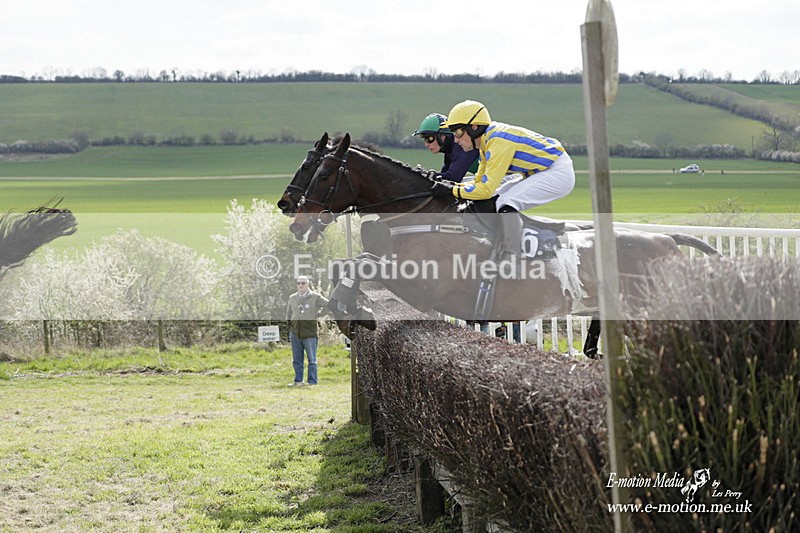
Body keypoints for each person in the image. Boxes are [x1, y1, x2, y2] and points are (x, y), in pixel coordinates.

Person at [430, 100, 576, 258]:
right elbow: (478, 183)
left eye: (458, 132)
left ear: (474, 127)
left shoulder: (497, 142)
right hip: (541, 170)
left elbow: (485, 190)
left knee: (506, 203)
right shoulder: (486, 142)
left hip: (557, 172)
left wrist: (451, 190)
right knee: (495, 199)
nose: (456, 140)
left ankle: (512, 256)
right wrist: (450, 186)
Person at [285, 275, 329, 387]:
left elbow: (328, 305)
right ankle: (298, 381)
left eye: (303, 283)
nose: (300, 285)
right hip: (295, 333)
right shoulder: (292, 297)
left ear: (308, 284)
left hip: (310, 333)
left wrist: (319, 314)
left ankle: (312, 382)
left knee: (312, 359)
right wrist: (290, 326)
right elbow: (288, 314)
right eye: (298, 283)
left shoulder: (315, 296)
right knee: (297, 360)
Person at [413, 113, 478, 183]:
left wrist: (427, 175)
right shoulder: (449, 148)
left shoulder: (460, 145)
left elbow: (454, 177)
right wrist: (427, 174)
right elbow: (444, 175)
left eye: (429, 139)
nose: (426, 145)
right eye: (425, 139)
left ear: (442, 137)